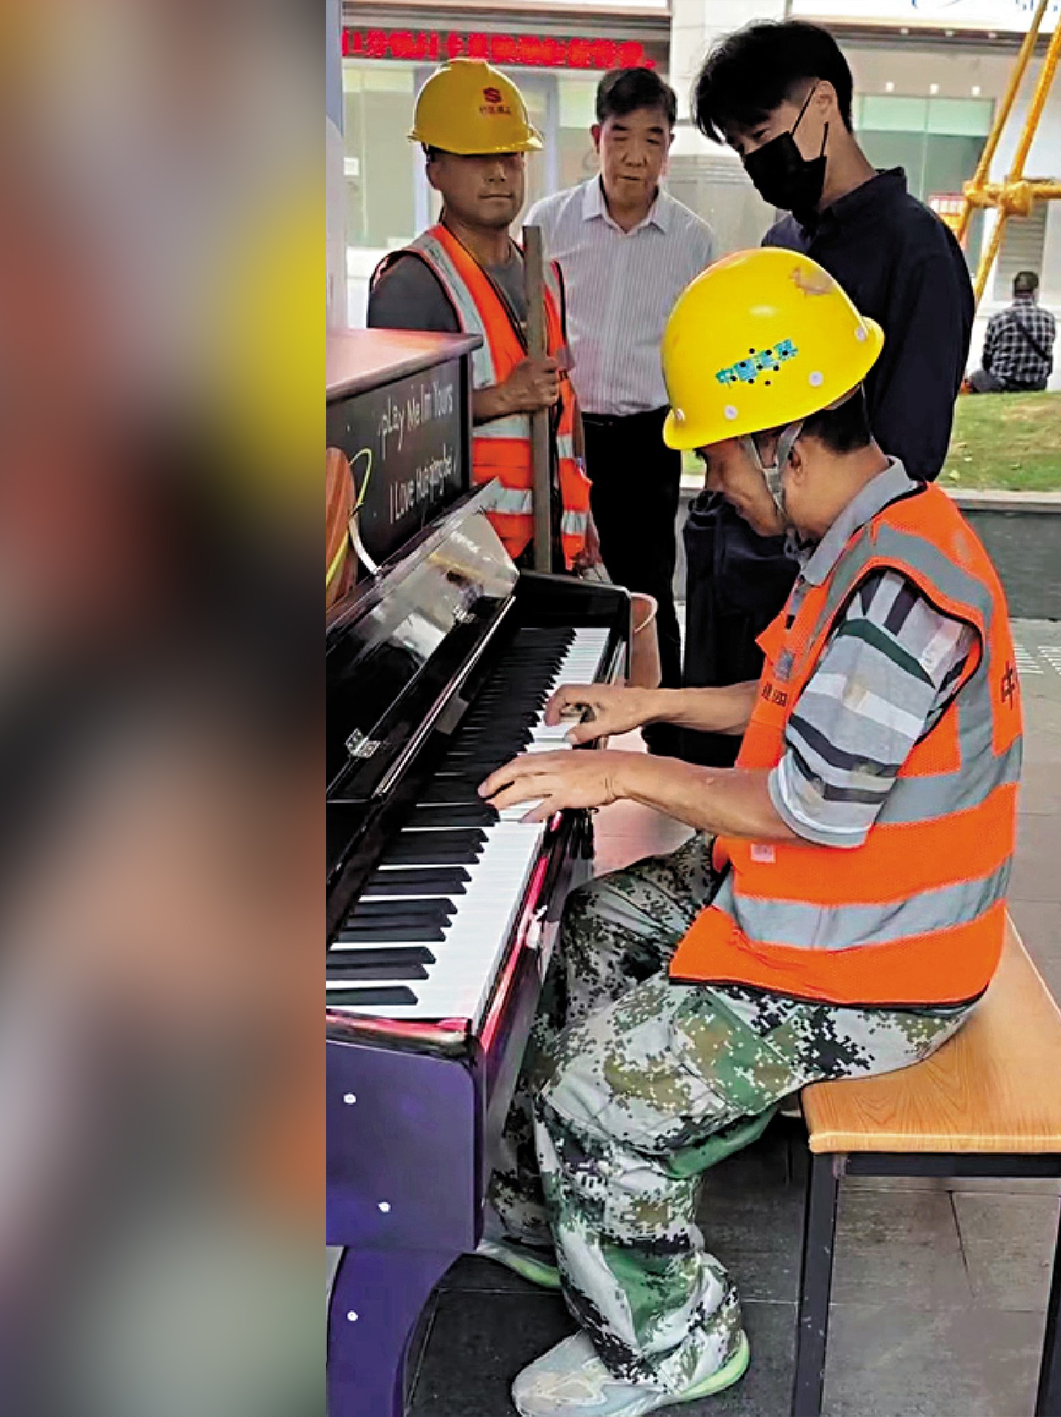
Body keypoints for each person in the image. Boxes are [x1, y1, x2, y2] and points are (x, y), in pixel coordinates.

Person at [474, 248, 1023, 1417]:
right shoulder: (872, 537)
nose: (714, 481)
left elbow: (809, 802)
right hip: (834, 906)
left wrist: (620, 771)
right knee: (601, 919)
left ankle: (674, 1336)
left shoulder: (903, 592)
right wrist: (653, 704)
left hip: (882, 970)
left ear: (784, 442)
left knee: (586, 1091)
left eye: (719, 455)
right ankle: (549, 1211)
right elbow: (787, 707)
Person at [677, 20, 977, 768]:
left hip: (829, 590)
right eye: (740, 148)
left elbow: (907, 462)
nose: (755, 160)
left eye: (761, 133)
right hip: (736, 567)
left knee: (796, 794)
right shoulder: (786, 243)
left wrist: (782, 509)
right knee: (722, 784)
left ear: (823, 106)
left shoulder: (917, 253)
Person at [524, 69, 715, 753]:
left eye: (654, 139)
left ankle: (672, 751)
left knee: (647, 591)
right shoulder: (547, 224)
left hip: (646, 443)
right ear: (596, 138)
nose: (636, 155)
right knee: (563, 584)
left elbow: (701, 348)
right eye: (622, 136)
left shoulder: (693, 240)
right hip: (564, 439)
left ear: (669, 149)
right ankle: (564, 741)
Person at [366, 58, 595, 570]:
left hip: (554, 553)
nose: (499, 173)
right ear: (435, 170)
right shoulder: (412, 283)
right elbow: (390, 442)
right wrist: (501, 397)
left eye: (511, 156)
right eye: (476, 157)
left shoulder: (543, 274)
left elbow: (565, 410)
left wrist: (583, 515)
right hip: (469, 570)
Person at [969, 270, 1057, 393]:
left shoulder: (999, 318)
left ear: (1013, 291)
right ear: (1035, 292)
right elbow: (1048, 355)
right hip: (1036, 383)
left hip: (1004, 383)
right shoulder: (1048, 319)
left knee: (976, 377)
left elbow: (987, 357)